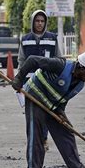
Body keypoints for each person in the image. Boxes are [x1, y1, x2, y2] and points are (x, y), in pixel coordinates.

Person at [11, 51, 85, 168]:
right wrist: (19, 78)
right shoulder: (60, 65)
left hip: (53, 106)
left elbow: (62, 98)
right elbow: (32, 59)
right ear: (81, 68)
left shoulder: (79, 83)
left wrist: (61, 114)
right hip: (35, 97)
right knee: (37, 134)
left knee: (66, 131)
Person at [18, 10, 62, 151]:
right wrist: (21, 79)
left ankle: (43, 139)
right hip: (30, 82)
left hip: (47, 83)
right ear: (32, 22)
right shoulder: (25, 39)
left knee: (45, 112)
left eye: (42, 21)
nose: (39, 23)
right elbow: (21, 60)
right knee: (31, 113)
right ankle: (32, 139)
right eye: (37, 21)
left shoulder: (52, 38)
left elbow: (58, 58)